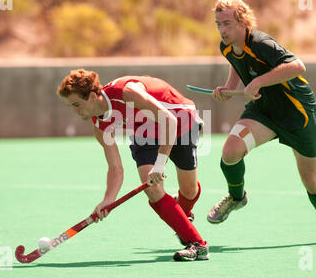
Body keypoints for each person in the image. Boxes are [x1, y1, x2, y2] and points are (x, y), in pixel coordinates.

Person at [207, 0, 316, 244]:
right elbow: (237, 62)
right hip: (263, 111)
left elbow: (297, 66)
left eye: (227, 24)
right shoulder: (226, 47)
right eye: (218, 24)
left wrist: (257, 82)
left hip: (297, 114)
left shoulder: (261, 43)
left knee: (311, 180)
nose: (222, 30)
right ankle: (236, 197)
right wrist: (227, 88)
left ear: (242, 21)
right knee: (230, 152)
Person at [56, 69, 210, 260]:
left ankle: (180, 213)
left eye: (77, 104)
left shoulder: (126, 92)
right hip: (144, 132)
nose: (76, 112)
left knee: (189, 191)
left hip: (179, 120)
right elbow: (115, 168)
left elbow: (169, 121)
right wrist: (108, 199)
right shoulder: (99, 126)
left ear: (94, 96)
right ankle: (197, 245)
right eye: (72, 106)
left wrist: (160, 164)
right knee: (151, 188)